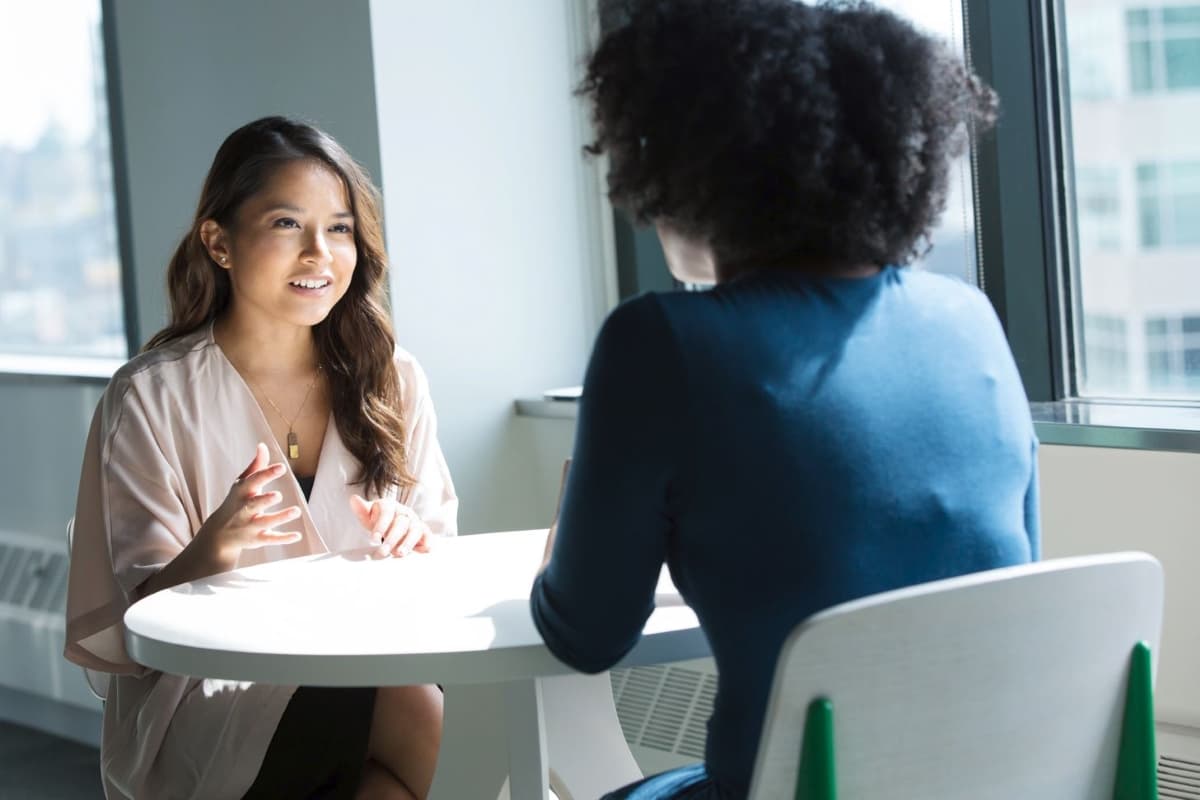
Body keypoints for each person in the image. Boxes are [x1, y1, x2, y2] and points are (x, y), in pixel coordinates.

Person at [530, 1, 1038, 798]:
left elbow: (586, 635)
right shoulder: (970, 321)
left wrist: (569, 543)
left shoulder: (660, 342)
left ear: (687, 167)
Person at [64, 116, 457, 800]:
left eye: (339, 228)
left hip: (369, 663)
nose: (320, 254)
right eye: (286, 224)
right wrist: (210, 552)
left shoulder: (393, 378)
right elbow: (134, 630)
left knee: (409, 705)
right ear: (219, 243)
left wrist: (414, 539)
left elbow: (443, 559)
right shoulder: (151, 396)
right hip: (206, 696)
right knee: (411, 704)